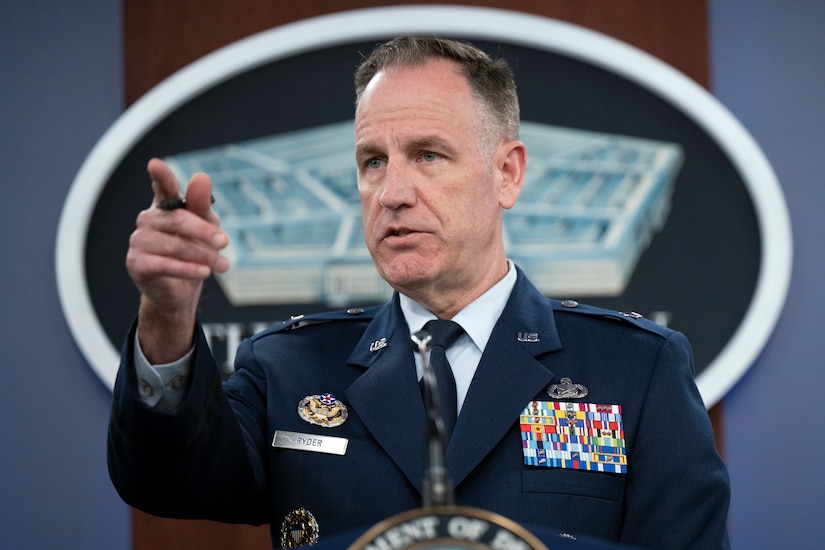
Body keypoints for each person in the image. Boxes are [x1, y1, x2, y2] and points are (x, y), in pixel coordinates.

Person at [108, 35, 731, 549]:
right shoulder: (290, 368)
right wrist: (167, 316)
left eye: (428, 155)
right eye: (372, 161)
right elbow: (167, 483)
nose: (392, 193)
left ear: (506, 173)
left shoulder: (635, 369)